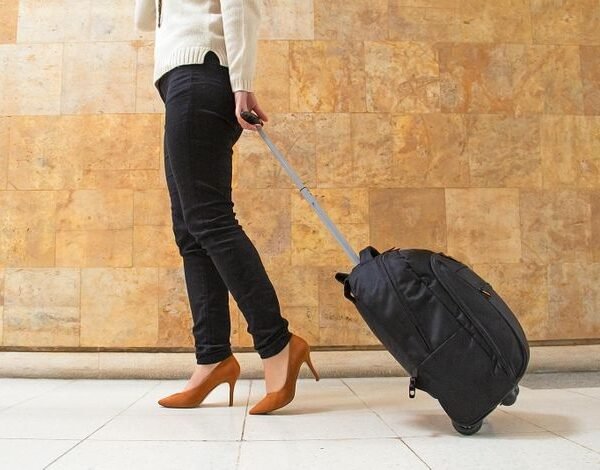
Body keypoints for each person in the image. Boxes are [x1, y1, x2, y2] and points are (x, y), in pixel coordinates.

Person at [133, 0, 319, 414]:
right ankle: (213, 357)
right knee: (190, 231)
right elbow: (144, 18)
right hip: (179, 82)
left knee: (210, 221)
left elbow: (241, 5)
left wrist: (243, 84)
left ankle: (278, 344)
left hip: (203, 74)